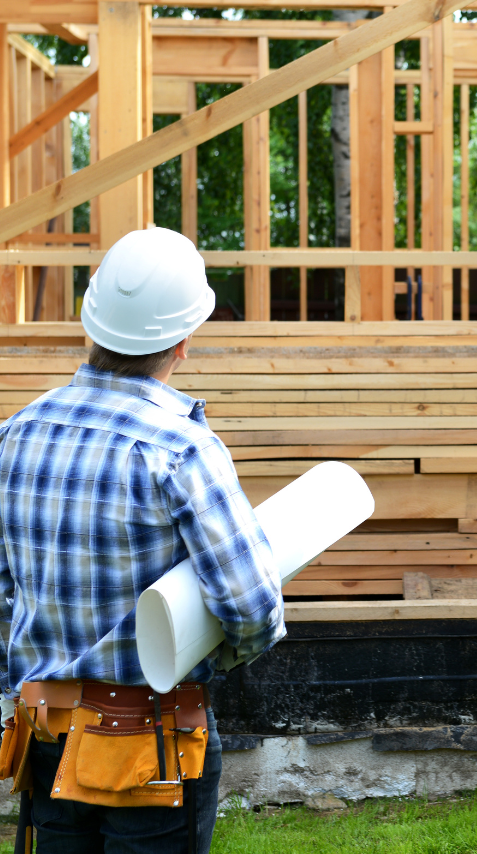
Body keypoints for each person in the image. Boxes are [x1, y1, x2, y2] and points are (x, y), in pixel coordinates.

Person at [0, 228, 285, 854]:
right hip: (152, 749)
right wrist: (205, 658)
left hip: (45, 734)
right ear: (183, 340)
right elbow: (254, 610)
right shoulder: (181, 449)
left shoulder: (14, 436)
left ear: (91, 323)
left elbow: (2, 596)